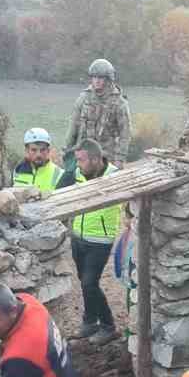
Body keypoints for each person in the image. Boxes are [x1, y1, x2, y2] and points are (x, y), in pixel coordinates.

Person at [67, 139, 121, 344]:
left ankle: (108, 326)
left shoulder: (114, 176)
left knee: (90, 283)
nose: (77, 164)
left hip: (100, 240)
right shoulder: (77, 173)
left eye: (81, 160)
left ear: (96, 159)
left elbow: (130, 203)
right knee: (84, 281)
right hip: (78, 236)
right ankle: (90, 322)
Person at [64, 58, 131, 173]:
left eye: (100, 78)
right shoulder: (84, 98)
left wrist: (119, 160)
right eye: (94, 77)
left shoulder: (119, 103)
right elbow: (73, 127)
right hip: (83, 156)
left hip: (105, 158)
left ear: (108, 79)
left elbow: (125, 134)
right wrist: (67, 152)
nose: (97, 81)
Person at [13, 127, 64, 194]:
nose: (38, 154)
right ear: (26, 151)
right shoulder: (18, 171)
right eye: (34, 150)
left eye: (43, 150)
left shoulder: (59, 174)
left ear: (48, 151)